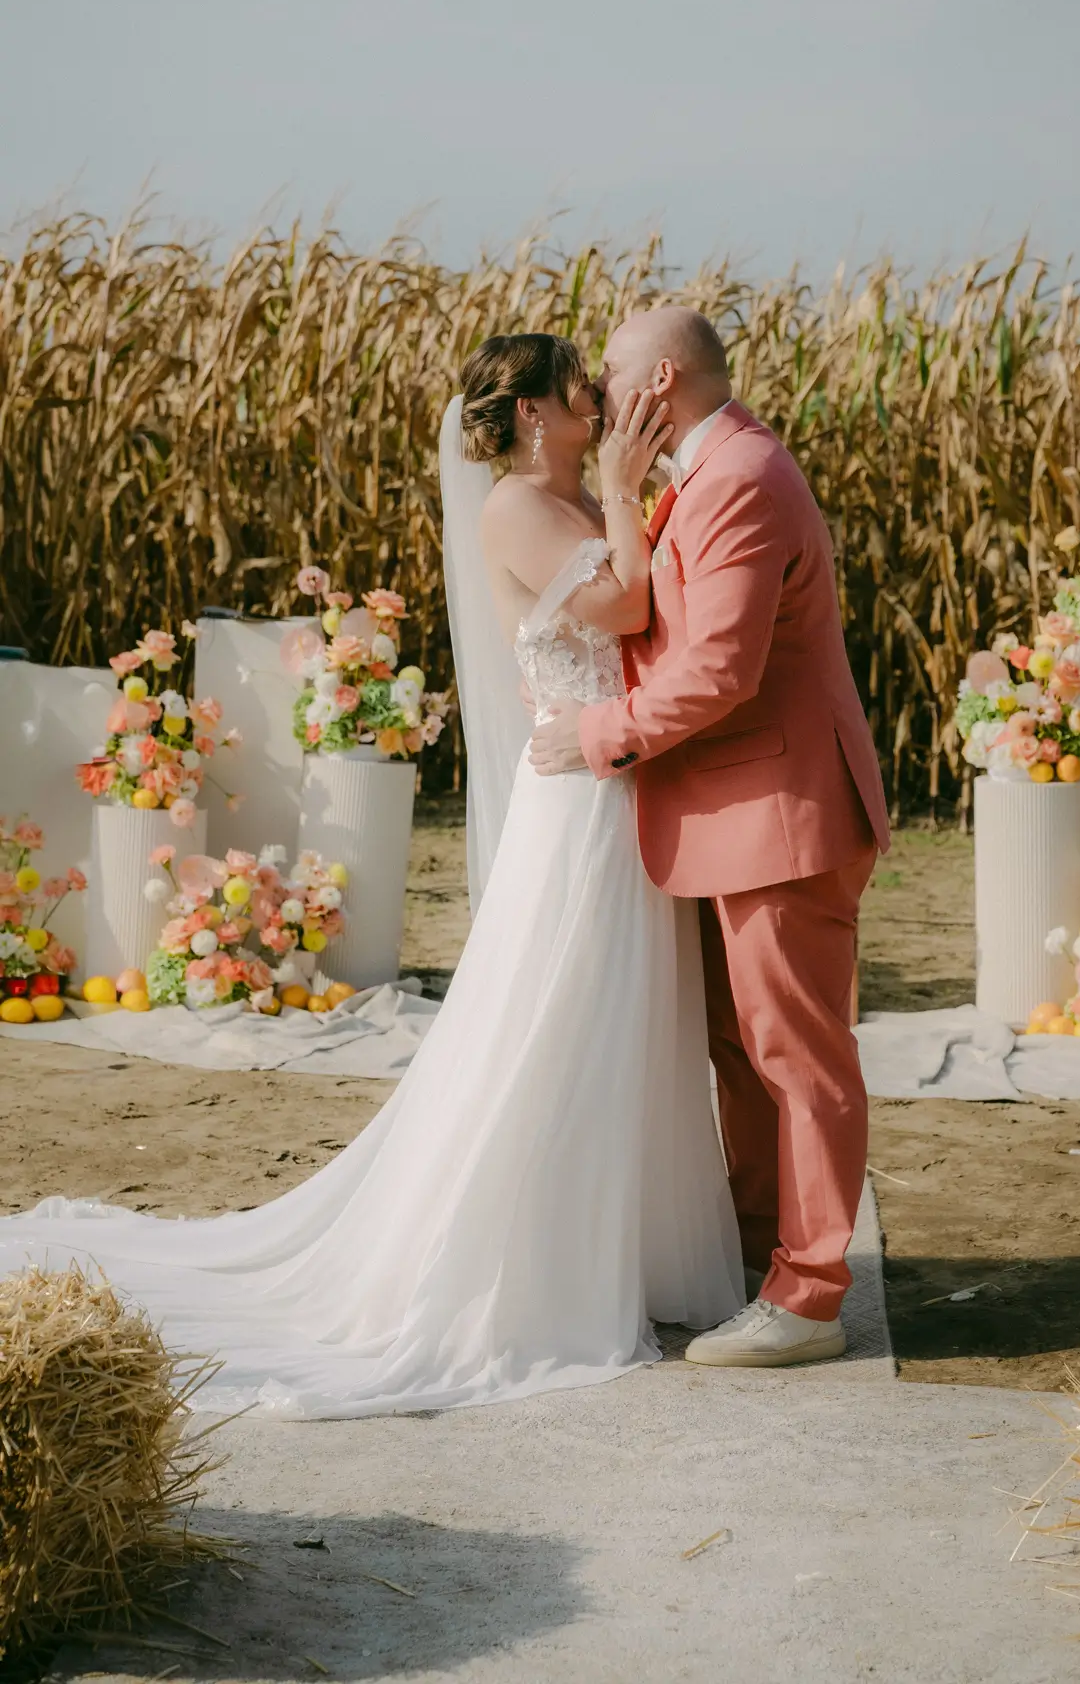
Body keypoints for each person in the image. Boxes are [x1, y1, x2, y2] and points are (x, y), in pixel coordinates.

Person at [0, 333, 743, 1418]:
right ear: (532, 414)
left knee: (630, 1014)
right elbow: (627, 612)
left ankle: (632, 1250)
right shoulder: (516, 509)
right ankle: (536, 1263)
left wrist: (628, 498)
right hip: (576, 801)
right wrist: (630, 495)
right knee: (561, 1010)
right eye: (578, 384)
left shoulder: (584, 499)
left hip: (619, 780)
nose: (598, 395)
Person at [530, 308, 890, 1368]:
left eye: (610, 374)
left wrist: (598, 734)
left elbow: (721, 668)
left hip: (782, 812)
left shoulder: (738, 476)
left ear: (660, 380)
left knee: (798, 1058)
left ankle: (810, 1297)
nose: (597, 392)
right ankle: (760, 1260)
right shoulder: (703, 472)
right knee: (744, 1054)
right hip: (739, 814)